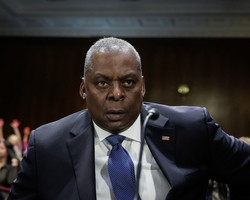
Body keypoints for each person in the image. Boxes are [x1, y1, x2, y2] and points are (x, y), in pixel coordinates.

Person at [7, 37, 250, 200]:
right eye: (102, 83)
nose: (116, 93)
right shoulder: (48, 145)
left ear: (142, 86)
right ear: (83, 89)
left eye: (128, 82)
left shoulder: (191, 128)